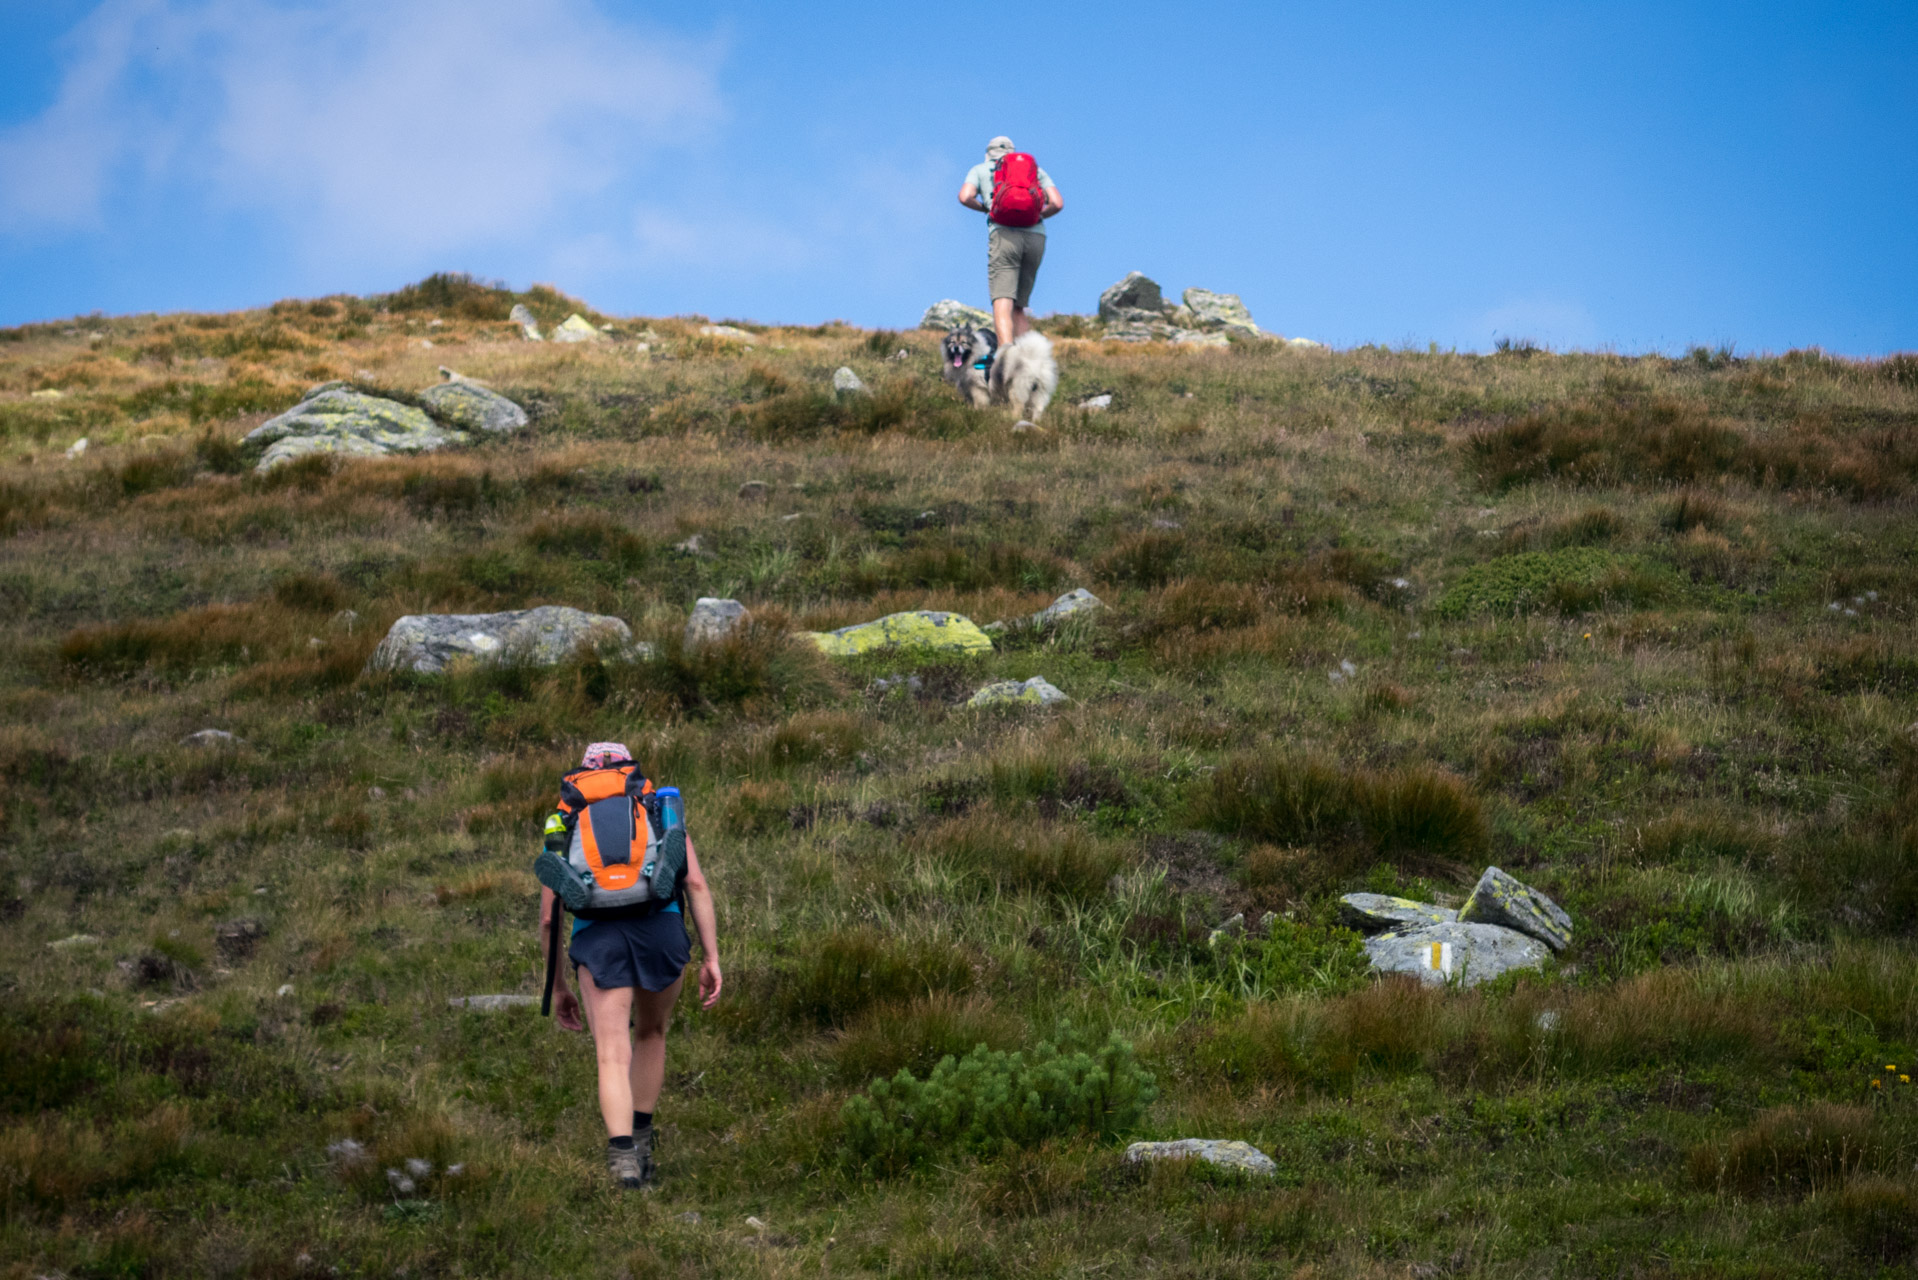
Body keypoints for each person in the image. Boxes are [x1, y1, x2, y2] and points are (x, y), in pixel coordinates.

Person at [538, 741, 722, 1190]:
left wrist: (558, 983)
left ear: (583, 775)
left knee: (611, 1052)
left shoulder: (565, 820)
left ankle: (622, 1160)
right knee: (651, 1033)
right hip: (660, 929)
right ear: (629, 770)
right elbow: (694, 883)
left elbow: (549, 917)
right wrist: (712, 956)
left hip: (597, 937)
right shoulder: (657, 810)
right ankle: (643, 1142)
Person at [958, 135, 1064, 351]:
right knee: (1019, 307)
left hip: (1004, 235)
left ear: (989, 153)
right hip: (1035, 237)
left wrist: (985, 208)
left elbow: (964, 196)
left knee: (1002, 300)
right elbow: (1057, 203)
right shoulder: (1034, 170)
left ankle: (1006, 353)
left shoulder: (980, 169)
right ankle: (1028, 358)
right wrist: (1039, 216)